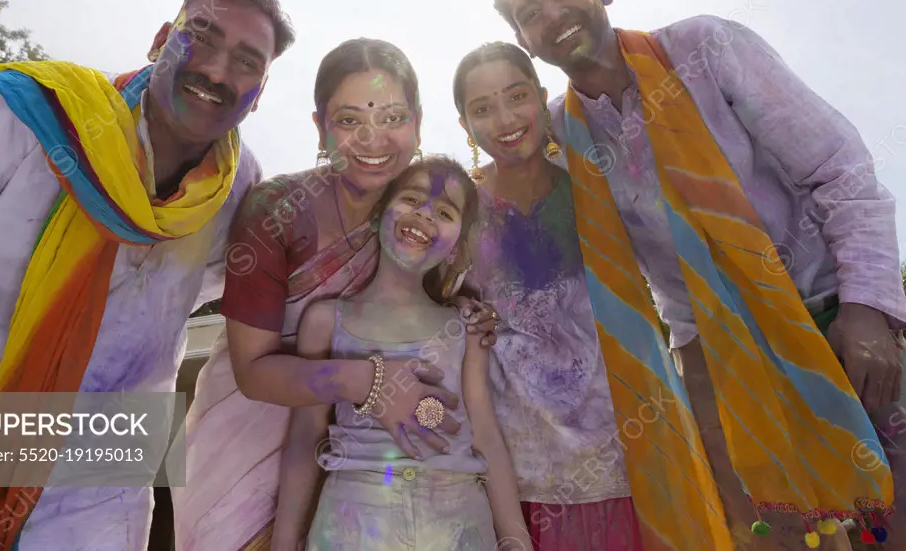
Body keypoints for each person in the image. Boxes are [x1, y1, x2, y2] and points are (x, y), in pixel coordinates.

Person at [490, 0, 906, 550]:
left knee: (901, 515)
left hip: (830, 323)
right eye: (530, 14)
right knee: (774, 536)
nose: (553, 16)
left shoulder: (703, 49)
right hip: (715, 365)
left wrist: (869, 309)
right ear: (523, 41)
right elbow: (501, 207)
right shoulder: (559, 136)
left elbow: (840, 167)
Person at [0, 0, 292, 551]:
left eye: (247, 61)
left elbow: (242, 286)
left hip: (104, 476)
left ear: (259, 95)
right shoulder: (43, 116)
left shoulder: (239, 188)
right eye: (200, 36)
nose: (215, 70)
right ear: (161, 39)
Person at [172, 38, 499, 550]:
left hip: (357, 469)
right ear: (320, 127)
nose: (373, 138)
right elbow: (253, 372)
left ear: (416, 121)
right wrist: (370, 382)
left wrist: (471, 313)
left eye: (392, 117)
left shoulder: (417, 220)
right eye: (348, 121)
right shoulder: (276, 207)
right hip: (243, 441)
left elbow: (435, 307)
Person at [272, 155, 533, 551]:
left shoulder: (466, 325)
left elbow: (485, 435)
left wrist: (516, 538)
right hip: (351, 524)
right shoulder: (325, 321)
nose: (425, 214)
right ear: (378, 215)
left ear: (454, 247)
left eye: (444, 211)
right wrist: (284, 540)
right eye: (412, 199)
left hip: (458, 523)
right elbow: (305, 436)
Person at [452, 41, 641, 550]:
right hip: (519, 471)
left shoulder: (597, 187)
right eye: (482, 109)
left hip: (625, 457)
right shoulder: (457, 213)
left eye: (517, 96)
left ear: (542, 96)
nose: (505, 119)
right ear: (465, 125)